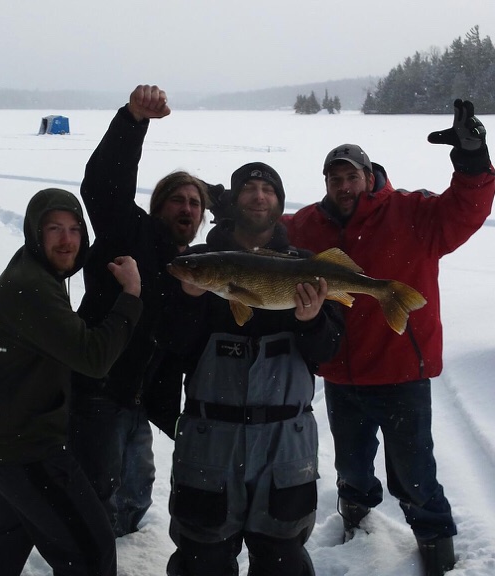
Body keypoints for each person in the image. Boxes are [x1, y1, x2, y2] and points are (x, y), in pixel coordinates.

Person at [283, 99, 495, 576]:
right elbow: (266, 231)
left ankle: (436, 544)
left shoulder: (412, 212)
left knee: (416, 475)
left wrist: (472, 158)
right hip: (341, 376)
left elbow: (466, 209)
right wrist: (225, 203)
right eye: (334, 180)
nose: (343, 187)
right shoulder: (309, 225)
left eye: (351, 177)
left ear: (368, 175)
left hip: (401, 374)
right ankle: (357, 522)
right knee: (352, 470)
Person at [164, 163, 345, 576]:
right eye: (249, 188)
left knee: (283, 561)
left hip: (286, 442)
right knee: (201, 560)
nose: (258, 196)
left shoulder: (306, 266)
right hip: (210, 440)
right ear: (234, 198)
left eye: (268, 189)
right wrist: (190, 300)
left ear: (280, 203)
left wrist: (313, 320)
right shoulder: (196, 264)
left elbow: (328, 353)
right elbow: (173, 346)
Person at [0, 187, 143, 576]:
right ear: (35, 234)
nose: (67, 239)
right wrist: (131, 296)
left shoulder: (39, 270)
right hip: (23, 445)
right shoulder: (32, 286)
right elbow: (93, 357)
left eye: (75, 229)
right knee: (91, 551)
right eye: (55, 229)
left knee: (11, 531)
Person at [69, 84, 210, 537]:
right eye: (177, 199)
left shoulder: (194, 269)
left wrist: (191, 302)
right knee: (95, 494)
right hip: (97, 393)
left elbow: (179, 343)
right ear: (158, 206)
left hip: (137, 401)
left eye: (194, 202)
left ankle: (111, 547)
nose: (186, 207)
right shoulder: (129, 232)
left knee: (135, 494)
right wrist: (132, 122)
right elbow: (104, 187)